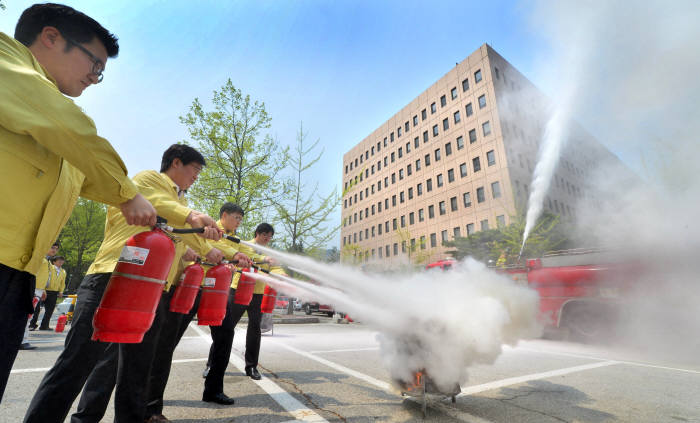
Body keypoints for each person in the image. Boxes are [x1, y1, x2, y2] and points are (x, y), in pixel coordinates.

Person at [0, 3, 157, 403]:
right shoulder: (9, 66)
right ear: (51, 37)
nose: (95, 77)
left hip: (18, 272)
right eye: (95, 63)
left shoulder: (41, 119)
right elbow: (68, 127)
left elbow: (81, 173)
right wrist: (127, 193)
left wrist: (123, 198)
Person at [24, 144, 224, 423]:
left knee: (135, 371)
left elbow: (188, 234)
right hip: (113, 276)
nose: (196, 177)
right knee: (77, 363)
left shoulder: (180, 205)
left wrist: (212, 247)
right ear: (176, 163)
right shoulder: (149, 180)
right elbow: (155, 203)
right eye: (195, 170)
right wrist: (192, 218)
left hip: (150, 289)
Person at [203, 219, 283, 405]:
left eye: (270, 237)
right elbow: (248, 259)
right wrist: (263, 260)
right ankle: (210, 364)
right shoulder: (246, 245)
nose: (267, 239)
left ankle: (251, 367)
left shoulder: (268, 251)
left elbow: (275, 266)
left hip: (257, 293)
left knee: (255, 330)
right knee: (225, 328)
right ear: (258, 234)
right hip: (238, 289)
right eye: (265, 236)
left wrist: (281, 273)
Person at [33, 255, 66, 331]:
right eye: (59, 260)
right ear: (54, 262)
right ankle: (32, 324)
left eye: (62, 260)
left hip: (54, 292)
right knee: (37, 308)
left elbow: (62, 283)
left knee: (50, 310)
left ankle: (44, 326)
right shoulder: (50, 267)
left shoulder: (63, 271)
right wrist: (43, 288)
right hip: (44, 290)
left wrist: (61, 291)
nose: (61, 262)